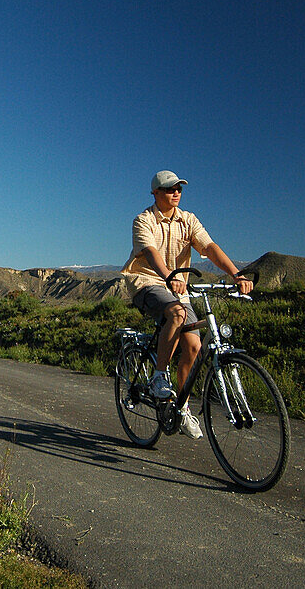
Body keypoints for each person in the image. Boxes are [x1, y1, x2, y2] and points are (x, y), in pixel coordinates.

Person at [121, 170, 254, 439]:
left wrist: (236, 274)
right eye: (170, 189)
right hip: (147, 282)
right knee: (177, 313)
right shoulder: (143, 220)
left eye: (179, 188)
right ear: (156, 193)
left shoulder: (188, 220)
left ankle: (181, 408)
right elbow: (150, 252)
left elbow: (210, 247)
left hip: (177, 287)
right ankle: (159, 375)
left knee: (194, 345)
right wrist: (169, 276)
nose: (176, 193)